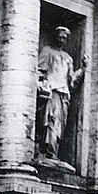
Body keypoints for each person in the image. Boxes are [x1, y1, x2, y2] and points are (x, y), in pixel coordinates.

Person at [36, 26, 88, 165]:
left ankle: (53, 152)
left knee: (59, 124)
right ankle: (44, 151)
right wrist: (43, 85)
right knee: (49, 121)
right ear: (55, 36)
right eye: (60, 36)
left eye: (65, 38)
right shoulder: (47, 51)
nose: (62, 40)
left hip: (64, 93)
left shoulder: (68, 58)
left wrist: (83, 68)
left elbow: (71, 80)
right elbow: (40, 71)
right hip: (52, 91)